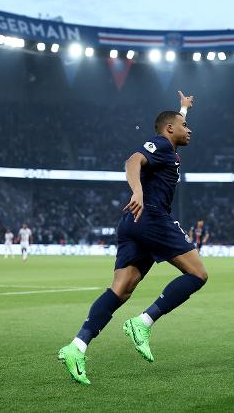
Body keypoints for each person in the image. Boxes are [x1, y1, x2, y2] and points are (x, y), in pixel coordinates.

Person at [58, 91, 208, 386]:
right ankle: (143, 322)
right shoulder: (162, 144)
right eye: (184, 125)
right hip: (151, 216)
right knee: (198, 274)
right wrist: (137, 191)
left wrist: (183, 109)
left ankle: (77, 346)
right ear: (168, 129)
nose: (189, 129)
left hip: (132, 223)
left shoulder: (168, 146)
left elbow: (171, 128)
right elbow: (133, 160)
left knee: (121, 289)